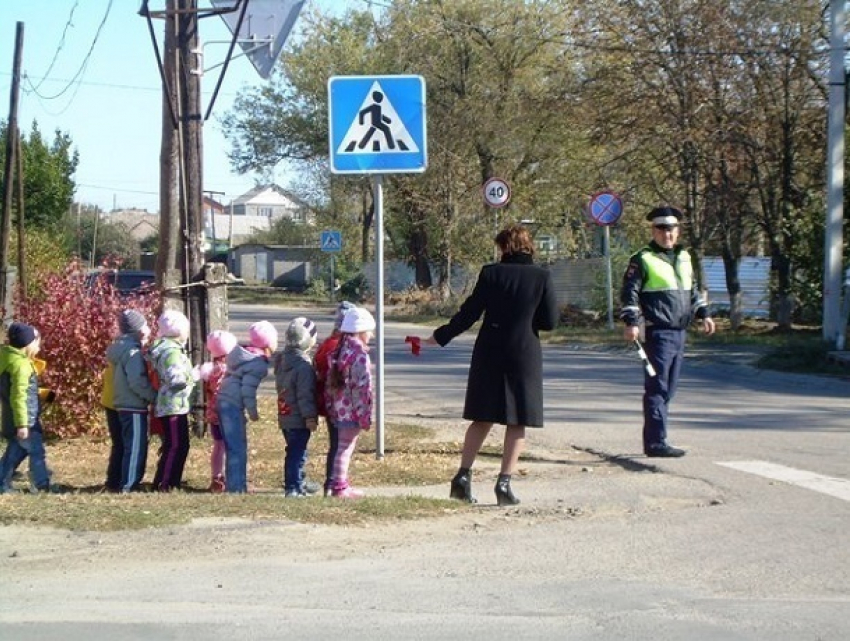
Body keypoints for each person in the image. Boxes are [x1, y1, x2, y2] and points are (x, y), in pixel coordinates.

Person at [424, 224, 558, 506]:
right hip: (524, 352)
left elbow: (469, 313)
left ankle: (462, 477)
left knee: (482, 416)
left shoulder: (490, 273)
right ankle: (504, 485)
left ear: (502, 247)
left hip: (489, 350)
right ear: (528, 245)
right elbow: (549, 322)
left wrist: (440, 336)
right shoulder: (542, 276)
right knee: (518, 420)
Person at [620, 206, 716, 458]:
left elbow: (692, 290)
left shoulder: (684, 257)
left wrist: (703, 314)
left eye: (671, 228)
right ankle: (655, 442)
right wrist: (631, 322)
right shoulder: (642, 258)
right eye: (661, 228)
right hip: (658, 333)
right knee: (657, 388)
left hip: (679, 332)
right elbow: (629, 293)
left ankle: (658, 437)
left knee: (669, 389)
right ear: (653, 230)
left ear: (678, 230)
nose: (667, 233)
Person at [217, 320, 278, 493]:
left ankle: (236, 484)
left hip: (223, 400)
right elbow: (247, 390)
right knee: (237, 447)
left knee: (233, 445)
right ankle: (236, 487)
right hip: (232, 405)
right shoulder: (257, 364)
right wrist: (253, 412)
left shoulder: (243, 355)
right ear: (268, 343)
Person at [325, 307, 376, 499]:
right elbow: (362, 387)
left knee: (342, 446)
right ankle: (340, 486)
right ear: (361, 331)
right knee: (345, 447)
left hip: (339, 407)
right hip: (353, 409)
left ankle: (339, 484)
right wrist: (364, 412)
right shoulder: (359, 355)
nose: (371, 335)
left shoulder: (341, 350)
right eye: (369, 331)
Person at [105, 310, 157, 493]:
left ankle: (123, 481)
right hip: (133, 405)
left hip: (122, 404)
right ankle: (128, 484)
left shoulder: (121, 349)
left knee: (127, 444)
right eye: (146, 325)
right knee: (135, 446)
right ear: (139, 330)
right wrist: (152, 396)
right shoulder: (133, 353)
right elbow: (137, 381)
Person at [0, 323, 51, 493]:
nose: (39, 347)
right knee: (37, 452)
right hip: (26, 421)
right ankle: (41, 483)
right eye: (37, 343)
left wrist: (45, 395)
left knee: (14, 454)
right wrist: (23, 424)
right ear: (27, 344)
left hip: (12, 418)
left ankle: (2, 482)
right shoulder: (21, 366)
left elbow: (21, 391)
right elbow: (19, 396)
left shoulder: (8, 360)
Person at [148, 309, 196, 491]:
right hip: (172, 405)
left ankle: (171, 480)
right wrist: (192, 377)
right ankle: (165, 483)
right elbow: (176, 379)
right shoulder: (172, 352)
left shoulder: (170, 349)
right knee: (176, 445)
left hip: (176, 405)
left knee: (178, 444)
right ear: (178, 331)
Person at [314, 300, 355, 496]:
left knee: (337, 444)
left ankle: (335, 482)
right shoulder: (338, 347)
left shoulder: (327, 344)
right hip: (338, 403)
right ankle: (333, 483)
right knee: (339, 445)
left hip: (329, 402)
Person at [274, 317, 319, 497]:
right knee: (297, 454)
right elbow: (305, 394)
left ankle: (299, 482)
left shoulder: (282, 361)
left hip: (285, 414)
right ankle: (293, 487)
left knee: (294, 451)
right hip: (298, 417)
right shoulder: (303, 367)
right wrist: (310, 417)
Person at [197, 330, 238, 493]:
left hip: (213, 415)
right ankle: (228, 477)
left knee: (218, 446)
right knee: (230, 447)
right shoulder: (225, 370)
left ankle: (216, 476)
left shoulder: (211, 369)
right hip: (226, 415)